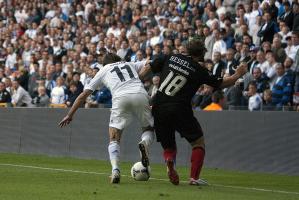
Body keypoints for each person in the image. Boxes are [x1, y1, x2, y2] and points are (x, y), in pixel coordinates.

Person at [141, 38, 247, 186]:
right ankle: (194, 178)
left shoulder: (170, 57)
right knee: (198, 142)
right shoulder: (199, 69)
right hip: (180, 108)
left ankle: (170, 161)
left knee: (169, 145)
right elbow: (221, 83)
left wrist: (137, 81)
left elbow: (148, 68)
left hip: (159, 106)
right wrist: (238, 74)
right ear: (200, 54)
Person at [59, 53, 155, 184]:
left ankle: (115, 170)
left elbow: (83, 95)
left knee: (114, 138)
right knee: (148, 128)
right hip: (140, 93)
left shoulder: (104, 70)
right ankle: (144, 142)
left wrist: (70, 115)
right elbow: (150, 63)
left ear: (105, 63)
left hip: (120, 97)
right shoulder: (129, 64)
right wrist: (137, 77)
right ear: (118, 59)